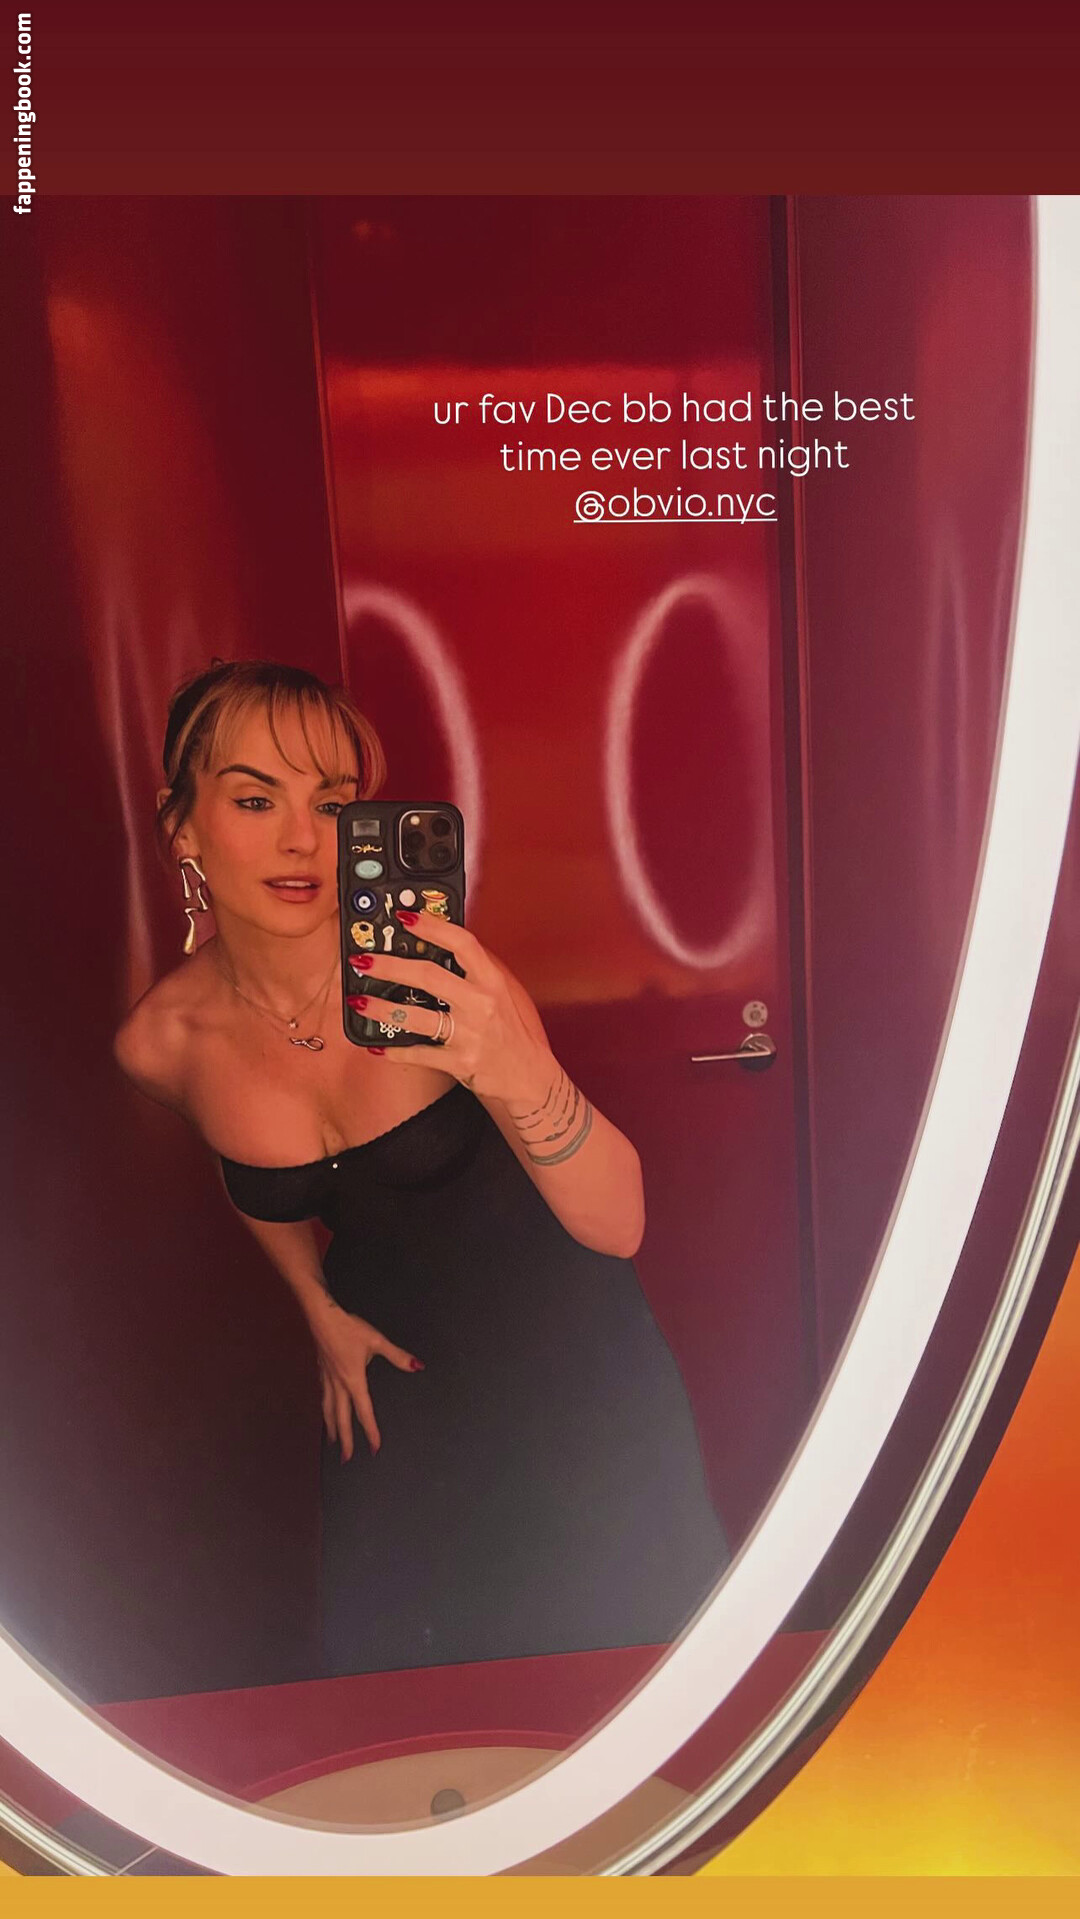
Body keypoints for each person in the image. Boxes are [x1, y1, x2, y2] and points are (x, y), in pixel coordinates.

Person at [115, 659, 729, 1676]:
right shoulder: (161, 1044)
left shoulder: (438, 974)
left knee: (616, 1667)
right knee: (408, 1675)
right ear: (183, 827)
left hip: (565, 1363)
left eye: (332, 803)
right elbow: (251, 1177)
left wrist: (513, 1064)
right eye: (257, 799)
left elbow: (618, 1220)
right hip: (394, 1383)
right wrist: (315, 1305)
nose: (303, 839)